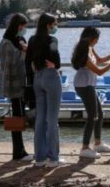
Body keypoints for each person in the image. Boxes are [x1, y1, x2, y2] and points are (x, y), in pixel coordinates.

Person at [70, 27, 110, 159]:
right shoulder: (84, 52)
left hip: (88, 84)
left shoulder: (90, 48)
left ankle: (97, 143)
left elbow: (99, 61)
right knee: (92, 115)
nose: (97, 41)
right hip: (83, 85)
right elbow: (99, 71)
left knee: (99, 113)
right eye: (96, 38)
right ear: (92, 38)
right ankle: (85, 148)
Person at [28, 13, 63, 167]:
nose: (55, 26)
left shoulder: (32, 39)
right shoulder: (52, 40)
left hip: (37, 78)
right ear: (49, 25)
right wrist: (54, 64)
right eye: (54, 24)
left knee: (40, 119)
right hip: (50, 77)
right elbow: (57, 61)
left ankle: (40, 158)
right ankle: (53, 158)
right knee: (52, 119)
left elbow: (28, 59)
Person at [0, 13, 33, 161]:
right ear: (17, 26)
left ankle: (20, 150)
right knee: (17, 117)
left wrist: (26, 51)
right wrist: (24, 52)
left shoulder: (19, 40)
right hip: (14, 85)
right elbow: (8, 64)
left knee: (20, 116)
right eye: (22, 26)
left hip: (23, 84)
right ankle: (18, 152)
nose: (24, 30)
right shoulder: (6, 42)